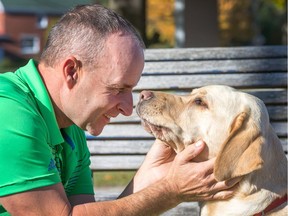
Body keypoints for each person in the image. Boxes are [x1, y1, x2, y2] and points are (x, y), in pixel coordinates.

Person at [0, 4, 238, 215]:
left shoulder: (70, 126)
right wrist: (172, 190)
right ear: (72, 71)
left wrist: (155, 175)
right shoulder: (9, 113)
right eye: (117, 88)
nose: (127, 108)